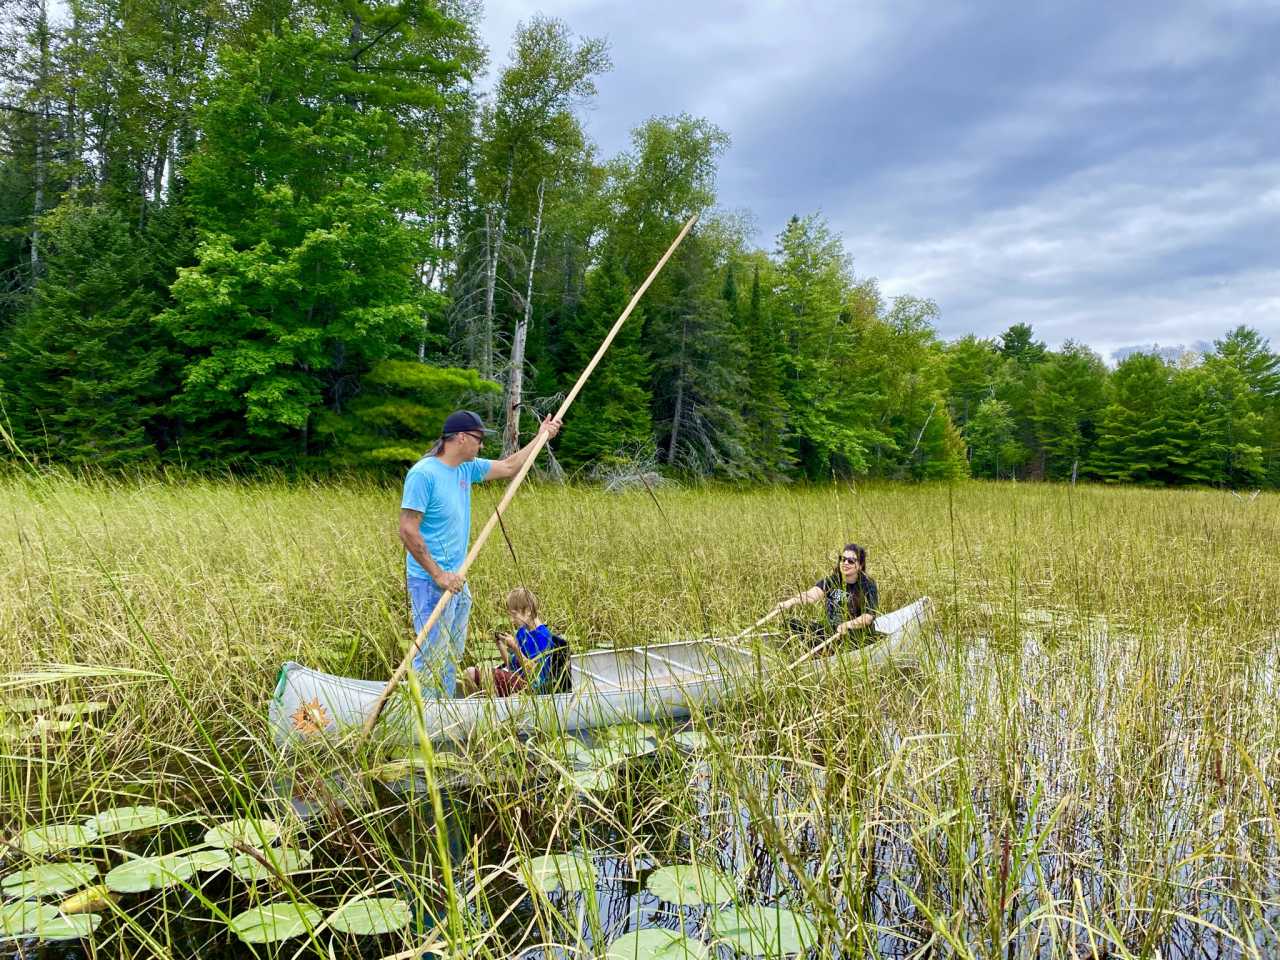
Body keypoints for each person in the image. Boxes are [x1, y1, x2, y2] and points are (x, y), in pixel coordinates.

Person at [399, 409, 561, 697]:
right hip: (430, 582)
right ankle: (427, 713)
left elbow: (510, 467)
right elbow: (408, 530)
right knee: (431, 654)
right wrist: (438, 575)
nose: (481, 445)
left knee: (451, 653)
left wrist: (541, 438)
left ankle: (445, 706)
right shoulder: (423, 474)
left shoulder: (466, 468)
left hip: (458, 581)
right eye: (478, 439)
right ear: (460, 438)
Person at [459, 587, 571, 697]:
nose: (512, 620)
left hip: (533, 687)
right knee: (469, 674)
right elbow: (512, 667)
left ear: (528, 611)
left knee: (471, 673)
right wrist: (501, 647)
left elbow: (534, 673)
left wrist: (515, 648)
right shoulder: (522, 632)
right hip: (517, 680)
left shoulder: (543, 637)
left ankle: (494, 706)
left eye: (514, 614)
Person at [770, 543, 879, 645]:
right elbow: (811, 595)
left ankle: (822, 652)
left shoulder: (867, 585)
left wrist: (848, 625)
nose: (845, 563)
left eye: (851, 561)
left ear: (860, 565)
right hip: (830, 630)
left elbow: (868, 617)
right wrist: (789, 602)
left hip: (855, 635)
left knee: (844, 637)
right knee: (790, 624)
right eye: (843, 559)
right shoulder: (832, 581)